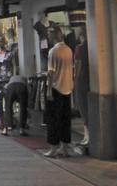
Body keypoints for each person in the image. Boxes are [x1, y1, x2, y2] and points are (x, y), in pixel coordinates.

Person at [44, 28, 75, 158]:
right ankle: (65, 147)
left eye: (50, 35)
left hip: (56, 89)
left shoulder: (53, 51)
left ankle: (53, 147)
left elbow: (51, 73)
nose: (48, 38)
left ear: (54, 36)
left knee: (53, 120)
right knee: (65, 119)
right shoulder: (68, 50)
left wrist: (48, 90)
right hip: (67, 88)